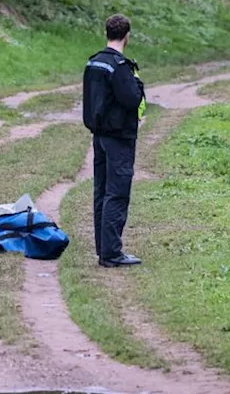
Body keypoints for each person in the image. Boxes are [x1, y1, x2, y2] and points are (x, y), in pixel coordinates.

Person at [81, 14, 147, 268]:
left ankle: (103, 247)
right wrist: (138, 83)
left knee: (101, 191)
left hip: (99, 136)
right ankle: (111, 253)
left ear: (106, 33)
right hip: (119, 137)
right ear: (127, 35)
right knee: (116, 194)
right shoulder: (120, 67)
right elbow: (132, 98)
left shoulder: (94, 63)